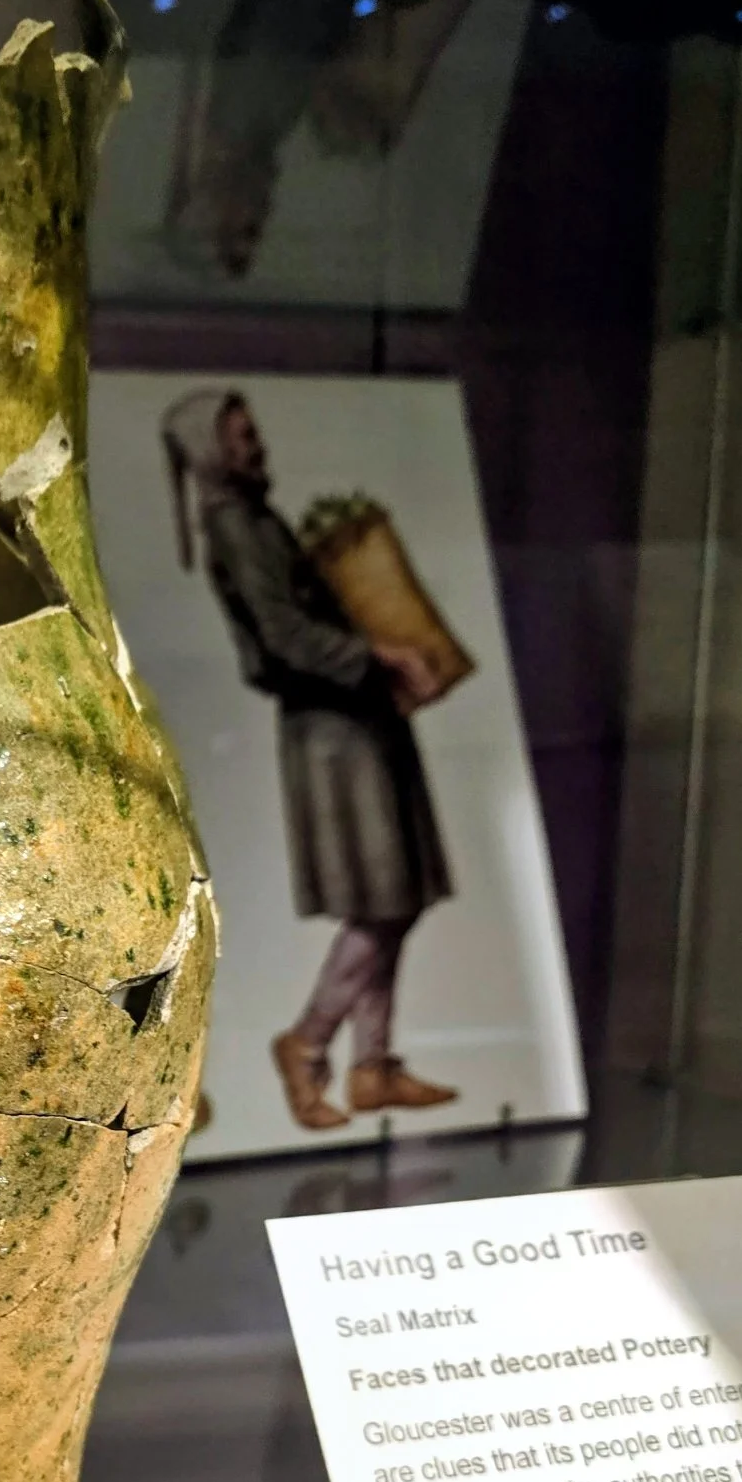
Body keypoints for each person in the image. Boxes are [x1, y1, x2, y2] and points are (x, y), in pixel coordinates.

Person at [163, 387, 457, 1131]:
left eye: (252, 431)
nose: (254, 446)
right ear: (208, 450)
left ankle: (372, 1067)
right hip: (332, 732)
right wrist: (376, 651)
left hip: (352, 719)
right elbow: (284, 635)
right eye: (238, 437)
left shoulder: (253, 518)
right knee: (382, 903)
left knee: (392, 901)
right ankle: (311, 1044)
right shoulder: (235, 525)